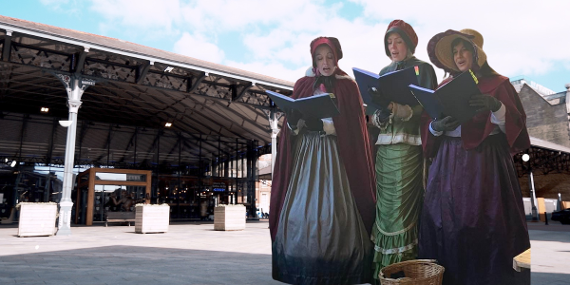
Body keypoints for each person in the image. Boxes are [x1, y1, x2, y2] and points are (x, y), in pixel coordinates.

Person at [418, 29, 531, 285]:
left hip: (485, 162)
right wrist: (437, 126)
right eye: (454, 52)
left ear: (476, 53)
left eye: (464, 50)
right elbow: (428, 127)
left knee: (487, 221)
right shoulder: (443, 87)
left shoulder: (499, 84)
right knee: (445, 222)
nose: (459, 56)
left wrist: (497, 107)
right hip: (447, 163)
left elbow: (516, 129)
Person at [269, 36, 376, 285]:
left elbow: (355, 128)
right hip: (306, 154)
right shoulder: (303, 84)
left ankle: (338, 270)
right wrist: (294, 124)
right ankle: (302, 268)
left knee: (335, 212)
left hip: (337, 156)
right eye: (320, 58)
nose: (325, 62)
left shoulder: (348, 86)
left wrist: (327, 126)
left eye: (329, 57)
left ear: (337, 57)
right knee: (300, 213)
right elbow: (290, 130)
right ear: (313, 59)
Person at [368, 19, 437, 277]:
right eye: (389, 42)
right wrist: (379, 116)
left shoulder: (423, 69)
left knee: (402, 209)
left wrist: (406, 110)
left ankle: (405, 271)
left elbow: (431, 105)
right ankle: (384, 273)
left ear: (408, 43)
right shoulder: (383, 72)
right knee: (384, 210)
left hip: (409, 146)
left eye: (398, 41)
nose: (393, 46)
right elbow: (373, 107)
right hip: (384, 148)